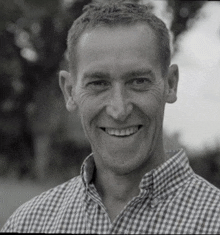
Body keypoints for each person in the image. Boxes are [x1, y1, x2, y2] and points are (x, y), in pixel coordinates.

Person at [2, 1, 220, 234]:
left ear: (170, 84)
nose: (119, 109)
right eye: (98, 83)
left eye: (138, 81)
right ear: (69, 91)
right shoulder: (27, 223)